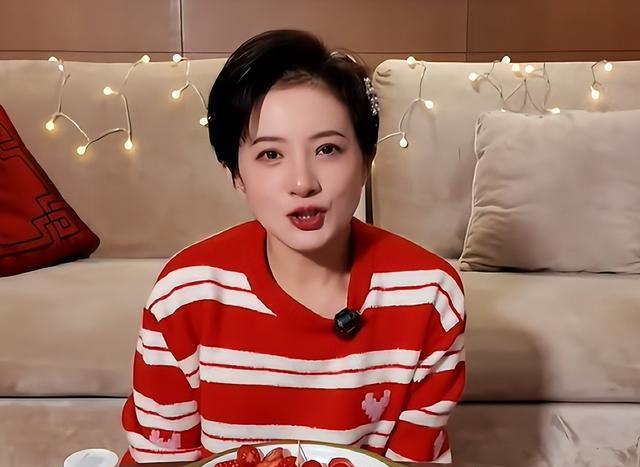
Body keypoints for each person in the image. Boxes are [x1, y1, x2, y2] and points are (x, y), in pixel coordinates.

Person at [121, 29, 465, 465]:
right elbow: (161, 455)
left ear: (366, 161)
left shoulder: (430, 294)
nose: (303, 183)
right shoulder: (185, 294)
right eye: (270, 155)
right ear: (236, 175)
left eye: (328, 149)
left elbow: (412, 458)